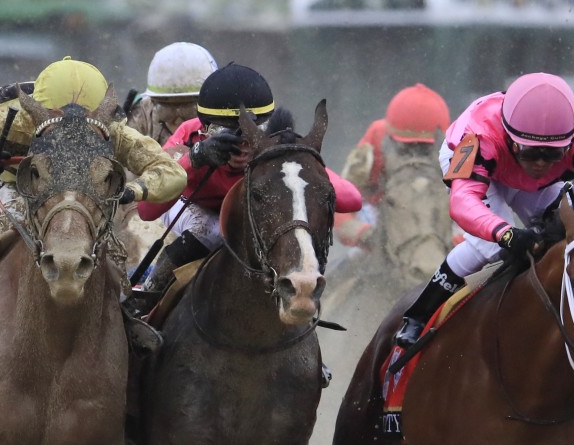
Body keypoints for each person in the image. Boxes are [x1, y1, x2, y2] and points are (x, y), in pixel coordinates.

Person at [0, 57, 187, 349]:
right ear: (36, 110)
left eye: (85, 118)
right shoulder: (3, 118)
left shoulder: (113, 129)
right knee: (7, 218)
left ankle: (124, 310)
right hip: (22, 185)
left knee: (109, 234)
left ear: (100, 114)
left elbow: (172, 172)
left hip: (85, 191)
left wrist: (132, 191)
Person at [394, 72, 574, 348]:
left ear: (570, 141)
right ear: (510, 137)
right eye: (530, 151)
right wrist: (505, 233)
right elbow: (463, 203)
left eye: (552, 153)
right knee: (489, 247)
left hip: (525, 179)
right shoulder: (478, 134)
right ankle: (417, 315)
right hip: (481, 173)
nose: (539, 162)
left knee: (572, 237)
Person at [131, 63, 362, 312]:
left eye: (253, 133)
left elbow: (352, 200)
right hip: (192, 204)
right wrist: (195, 159)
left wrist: (304, 168)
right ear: (204, 128)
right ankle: (147, 305)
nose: (242, 146)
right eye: (226, 134)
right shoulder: (190, 135)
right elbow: (146, 210)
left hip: (249, 209)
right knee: (211, 230)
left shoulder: (276, 146)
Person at [335, 83, 450, 248]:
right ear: (390, 138)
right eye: (408, 148)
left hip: (437, 217)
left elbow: (473, 203)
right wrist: (364, 234)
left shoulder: (456, 145)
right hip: (383, 217)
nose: (415, 156)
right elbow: (341, 202)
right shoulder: (375, 140)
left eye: (424, 148)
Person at [127, 42, 218, 145]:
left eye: (190, 111)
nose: (179, 122)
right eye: (167, 111)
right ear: (153, 102)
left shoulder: (227, 122)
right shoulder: (142, 118)